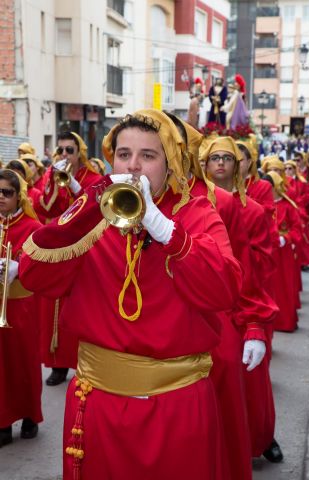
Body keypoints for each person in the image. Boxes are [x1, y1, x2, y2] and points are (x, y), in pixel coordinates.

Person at [18, 110, 243, 480]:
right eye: (124, 155)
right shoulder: (94, 215)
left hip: (177, 406)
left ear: (170, 164)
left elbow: (224, 290)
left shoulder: (198, 213)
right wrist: (87, 211)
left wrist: (167, 230)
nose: (133, 167)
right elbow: (35, 276)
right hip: (98, 405)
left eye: (148, 156)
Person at [199, 136, 283, 463]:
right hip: (208, 300)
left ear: (238, 165)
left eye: (227, 158)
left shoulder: (255, 210)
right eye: (214, 157)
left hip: (241, 300)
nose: (220, 163)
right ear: (203, 164)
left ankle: (261, 438)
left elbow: (261, 261)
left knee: (250, 379)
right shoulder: (196, 205)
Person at [38, 132, 102, 387]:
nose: (65, 155)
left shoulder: (94, 178)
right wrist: (53, 181)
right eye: (61, 150)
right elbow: (44, 208)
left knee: (82, 306)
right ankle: (58, 363)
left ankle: (82, 362)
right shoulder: (51, 176)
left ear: (80, 154)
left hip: (85, 249)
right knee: (54, 306)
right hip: (59, 248)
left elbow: (96, 208)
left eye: (70, 151)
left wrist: (75, 185)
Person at [0, 169, 42, 448]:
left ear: (19, 196)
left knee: (24, 361)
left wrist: (20, 265)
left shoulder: (32, 227)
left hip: (22, 303)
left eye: (6, 192)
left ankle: (29, 415)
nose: (0, 198)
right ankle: (3, 421)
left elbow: (41, 262)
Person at [264, 171, 302, 332]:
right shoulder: (263, 206)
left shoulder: (288, 206)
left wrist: (284, 239)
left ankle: (286, 322)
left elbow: (297, 230)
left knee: (285, 287)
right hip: (267, 251)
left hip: (283, 253)